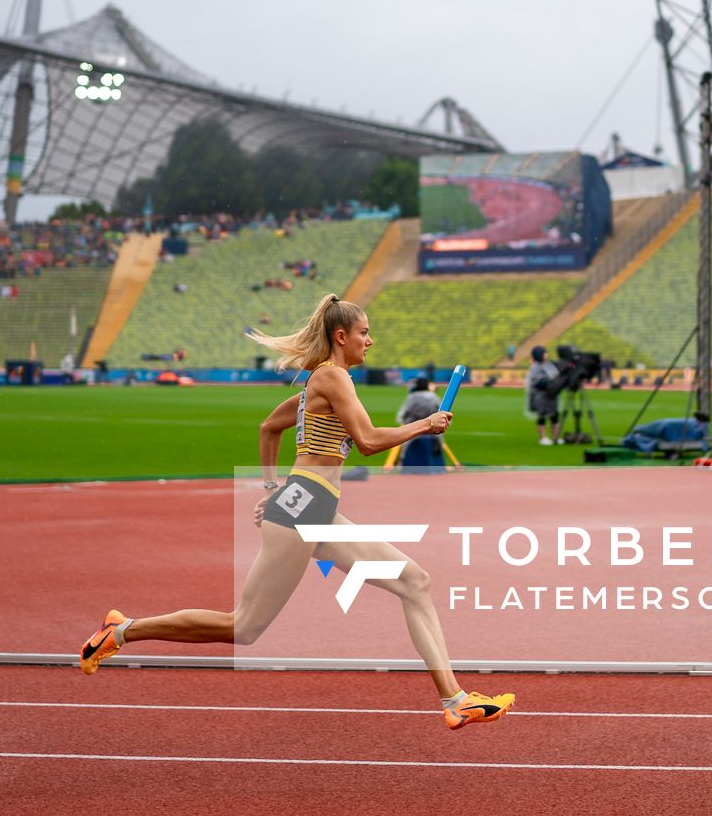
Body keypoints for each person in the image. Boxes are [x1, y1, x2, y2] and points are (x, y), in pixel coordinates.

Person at [76, 293, 514, 731]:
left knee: (415, 582)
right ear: (341, 337)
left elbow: (269, 427)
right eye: (364, 333)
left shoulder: (317, 384)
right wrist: (426, 424)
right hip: (305, 510)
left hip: (311, 507)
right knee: (243, 627)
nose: (370, 341)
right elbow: (367, 441)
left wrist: (274, 490)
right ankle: (120, 630)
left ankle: (454, 700)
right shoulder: (333, 377)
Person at [524, 344, 561, 446]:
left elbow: (556, 375)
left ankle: (555, 437)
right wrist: (549, 382)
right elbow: (537, 380)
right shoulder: (535, 367)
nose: (546, 355)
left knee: (555, 415)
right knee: (542, 415)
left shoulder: (549, 364)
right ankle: (543, 438)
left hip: (551, 394)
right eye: (544, 353)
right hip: (541, 394)